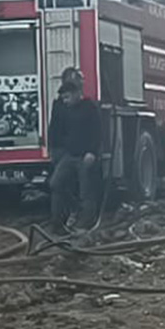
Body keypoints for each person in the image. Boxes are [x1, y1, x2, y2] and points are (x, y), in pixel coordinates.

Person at [47, 76, 101, 232]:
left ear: (77, 93)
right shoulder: (64, 109)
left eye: (67, 97)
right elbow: (57, 130)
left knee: (86, 191)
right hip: (69, 155)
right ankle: (59, 221)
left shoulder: (89, 108)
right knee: (55, 183)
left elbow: (97, 132)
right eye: (63, 98)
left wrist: (92, 152)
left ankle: (86, 222)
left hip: (85, 156)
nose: (65, 101)